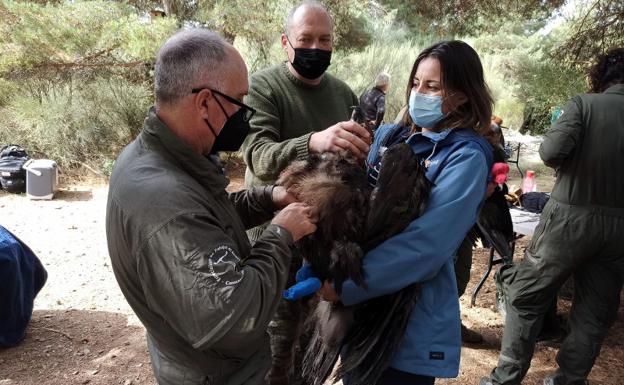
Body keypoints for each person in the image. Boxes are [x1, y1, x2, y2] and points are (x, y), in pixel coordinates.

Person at [105, 28, 317, 385]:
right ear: (204, 102)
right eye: (238, 100)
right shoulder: (164, 202)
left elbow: (206, 214)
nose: (245, 116)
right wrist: (281, 234)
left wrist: (267, 199)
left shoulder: (160, 158)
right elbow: (236, 319)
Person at [320, 40, 494, 385]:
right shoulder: (389, 136)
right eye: (416, 83)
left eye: (433, 86)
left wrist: (348, 285)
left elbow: (426, 245)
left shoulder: (465, 156)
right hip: (361, 314)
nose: (419, 93)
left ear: (461, 95)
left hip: (406, 323)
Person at [240, 2, 370, 384]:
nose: (316, 47)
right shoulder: (264, 87)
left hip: (327, 250)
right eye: (306, 39)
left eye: (324, 39)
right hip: (275, 247)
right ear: (286, 43)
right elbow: (259, 157)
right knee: (274, 354)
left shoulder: (344, 93)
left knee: (317, 349)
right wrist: (314, 141)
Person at [480, 48, 624, 385]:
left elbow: (550, 152)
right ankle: (569, 379)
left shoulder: (584, 105)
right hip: (620, 228)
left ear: (602, 76)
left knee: (526, 293)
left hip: (570, 218)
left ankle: (506, 376)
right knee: (596, 307)